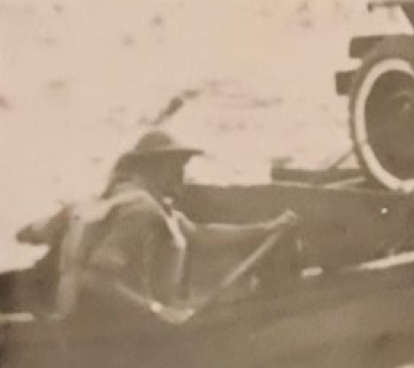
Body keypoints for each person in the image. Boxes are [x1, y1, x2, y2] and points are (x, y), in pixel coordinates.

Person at [16, 130, 298, 325]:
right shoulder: (141, 211)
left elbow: (201, 235)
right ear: (156, 168)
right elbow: (98, 277)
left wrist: (267, 228)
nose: (183, 176)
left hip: (71, 313)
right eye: (177, 166)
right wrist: (158, 311)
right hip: (112, 328)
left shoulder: (96, 202)